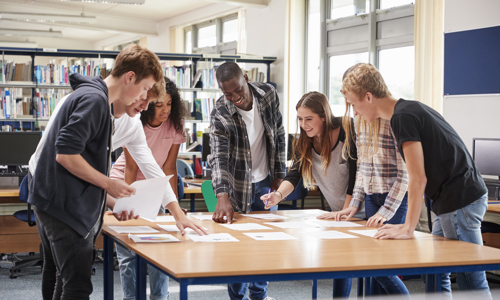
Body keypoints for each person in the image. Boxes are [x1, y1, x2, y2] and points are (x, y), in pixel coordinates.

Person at [341, 62, 491, 297]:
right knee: (436, 272)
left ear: (368, 96)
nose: (355, 112)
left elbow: (417, 177)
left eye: (354, 104)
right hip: (449, 201)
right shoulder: (408, 110)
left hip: (460, 201)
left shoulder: (402, 118)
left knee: (471, 277)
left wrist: (408, 228)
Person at [27, 44, 162, 300]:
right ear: (129, 77)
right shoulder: (95, 100)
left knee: (65, 282)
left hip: (58, 200)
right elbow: (65, 155)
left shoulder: (97, 98)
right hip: (64, 204)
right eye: (144, 89)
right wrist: (109, 184)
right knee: (77, 287)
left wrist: (111, 200)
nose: (143, 97)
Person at [260, 91, 359, 298]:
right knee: (341, 263)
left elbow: (355, 175)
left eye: (309, 119)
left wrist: (347, 210)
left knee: (375, 268)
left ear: (323, 116)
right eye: (300, 119)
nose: (304, 124)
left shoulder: (347, 130)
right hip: (338, 211)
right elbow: (294, 175)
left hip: (359, 206)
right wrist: (277, 195)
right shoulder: (303, 141)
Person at [109, 77, 193, 300]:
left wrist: (174, 206)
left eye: (169, 104)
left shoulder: (176, 125)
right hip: (128, 183)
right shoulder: (134, 123)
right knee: (128, 254)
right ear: (148, 105)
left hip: (156, 186)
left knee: (161, 250)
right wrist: (126, 204)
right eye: (159, 105)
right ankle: (131, 297)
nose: (165, 110)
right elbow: (131, 167)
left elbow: (168, 167)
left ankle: (160, 297)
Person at [208, 61, 286, 300]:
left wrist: (280, 174)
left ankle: (259, 295)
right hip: (236, 186)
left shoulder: (268, 94)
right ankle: (237, 298)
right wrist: (222, 196)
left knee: (265, 245)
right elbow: (218, 157)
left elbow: (279, 131)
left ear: (246, 78)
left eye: (238, 90)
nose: (234, 97)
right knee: (236, 248)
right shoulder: (220, 111)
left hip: (264, 183)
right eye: (227, 93)